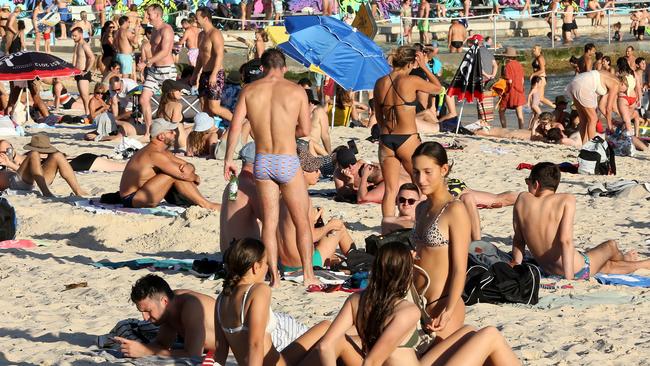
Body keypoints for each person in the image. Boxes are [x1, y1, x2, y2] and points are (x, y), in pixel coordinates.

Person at [316, 242, 521, 365]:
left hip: (418, 361)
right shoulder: (405, 310)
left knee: (469, 330)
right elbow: (372, 362)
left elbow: (325, 346)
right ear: (407, 272)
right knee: (490, 334)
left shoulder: (356, 300)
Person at [223, 49, 318, 288]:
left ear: (263, 68)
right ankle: (308, 274)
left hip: (263, 161)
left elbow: (235, 128)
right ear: (284, 68)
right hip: (286, 159)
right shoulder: (296, 91)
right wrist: (287, 132)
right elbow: (305, 130)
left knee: (270, 223)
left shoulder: (249, 90)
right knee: (301, 222)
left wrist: (228, 160)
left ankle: (273, 276)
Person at [214, 238, 358, 366]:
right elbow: (255, 343)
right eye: (265, 263)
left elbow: (220, 350)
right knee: (338, 341)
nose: (267, 268)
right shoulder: (258, 290)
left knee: (327, 326)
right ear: (255, 267)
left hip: (279, 359)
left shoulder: (222, 299)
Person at [512, 163, 650, 280]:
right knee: (611, 245)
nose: (527, 186)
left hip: (549, 268)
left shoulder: (522, 200)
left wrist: (516, 266)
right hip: (575, 269)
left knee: (606, 266)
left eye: (527, 182)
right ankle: (625, 259)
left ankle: (643, 264)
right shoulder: (566, 199)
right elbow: (565, 241)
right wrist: (569, 278)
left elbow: (518, 240)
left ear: (536, 184)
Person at [411, 142, 470, 339]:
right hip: (415, 303)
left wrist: (449, 310)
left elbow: (460, 268)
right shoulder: (420, 209)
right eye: (416, 172)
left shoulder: (455, 210)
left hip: (442, 303)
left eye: (428, 172)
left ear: (444, 169)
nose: (421, 179)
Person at [374, 46, 441, 217]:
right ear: (411, 63)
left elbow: (379, 116)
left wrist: (385, 131)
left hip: (386, 139)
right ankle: (422, 222)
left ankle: (387, 227)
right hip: (407, 138)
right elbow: (437, 88)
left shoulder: (380, 82)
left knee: (390, 190)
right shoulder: (410, 80)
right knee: (421, 185)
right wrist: (425, 66)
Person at [278, 148, 354, 273]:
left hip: (283, 264)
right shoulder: (302, 198)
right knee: (339, 227)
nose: (319, 172)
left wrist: (312, 219)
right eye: (314, 169)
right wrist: (330, 226)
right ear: (302, 172)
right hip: (304, 264)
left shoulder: (280, 195)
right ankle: (357, 258)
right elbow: (310, 237)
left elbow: (290, 229)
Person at [119, 118, 220, 210]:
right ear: (161, 136)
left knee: (176, 172)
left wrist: (189, 167)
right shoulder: (154, 154)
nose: (175, 134)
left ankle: (199, 202)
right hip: (133, 198)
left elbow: (187, 164)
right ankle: (205, 204)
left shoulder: (163, 152)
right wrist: (195, 177)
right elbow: (182, 174)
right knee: (173, 174)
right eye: (171, 132)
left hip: (143, 192)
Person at [114, 274, 217, 358]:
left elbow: (193, 354)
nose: (145, 318)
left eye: (148, 311)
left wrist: (146, 351)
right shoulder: (170, 306)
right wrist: (135, 348)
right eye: (142, 312)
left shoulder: (192, 307)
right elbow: (162, 344)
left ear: (164, 301)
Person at [0, 135, 87, 197]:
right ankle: (46, 192)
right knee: (34, 154)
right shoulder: (29, 156)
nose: (5, 153)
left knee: (58, 155)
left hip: (38, 181)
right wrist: (8, 164)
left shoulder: (25, 157)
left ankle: (78, 190)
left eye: (8, 149)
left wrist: (9, 163)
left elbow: (28, 171)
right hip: (20, 183)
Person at [138, 4, 177, 139]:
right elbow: (154, 50)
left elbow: (165, 51)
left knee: (170, 102)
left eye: (149, 14)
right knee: (143, 99)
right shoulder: (154, 30)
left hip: (167, 70)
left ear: (158, 15)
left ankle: (172, 131)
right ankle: (148, 131)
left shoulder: (167, 30)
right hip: (155, 70)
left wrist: (147, 62)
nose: (147, 16)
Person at [191, 8, 232, 122]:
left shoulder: (215, 33)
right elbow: (200, 56)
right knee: (204, 106)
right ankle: (211, 132)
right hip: (204, 73)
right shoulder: (201, 35)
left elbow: (219, 55)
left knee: (214, 107)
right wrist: (195, 74)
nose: (195, 20)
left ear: (205, 18)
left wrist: (214, 74)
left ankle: (239, 123)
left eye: (197, 18)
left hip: (216, 73)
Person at [219, 143, 260, 252]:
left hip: (226, 251)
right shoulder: (250, 188)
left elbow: (235, 203)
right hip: (241, 255)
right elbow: (269, 219)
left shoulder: (234, 182)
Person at [565, 70, 620, 143]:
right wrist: (610, 125)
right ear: (623, 84)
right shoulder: (616, 84)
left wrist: (612, 120)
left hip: (575, 82)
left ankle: (585, 145)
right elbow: (609, 108)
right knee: (593, 119)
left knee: (583, 119)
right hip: (584, 85)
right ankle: (592, 145)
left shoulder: (609, 78)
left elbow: (601, 106)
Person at [156, 79, 189, 151]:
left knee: (191, 127)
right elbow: (174, 125)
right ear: (171, 92)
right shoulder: (177, 105)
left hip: (164, 139)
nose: (181, 92)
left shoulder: (162, 106)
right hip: (179, 143)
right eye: (179, 90)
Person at [499, 47, 525, 129]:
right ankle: (521, 129)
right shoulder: (519, 64)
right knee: (519, 114)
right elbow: (522, 80)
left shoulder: (508, 65)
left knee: (501, 110)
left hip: (510, 91)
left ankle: (504, 128)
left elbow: (509, 80)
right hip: (519, 90)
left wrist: (503, 91)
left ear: (506, 56)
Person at [71, 27, 95, 118]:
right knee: (82, 95)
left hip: (83, 73)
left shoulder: (84, 45)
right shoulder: (77, 45)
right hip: (77, 73)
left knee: (85, 95)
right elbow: (76, 58)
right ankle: (86, 112)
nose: (73, 37)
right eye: (72, 36)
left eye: (75, 36)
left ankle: (89, 113)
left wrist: (86, 70)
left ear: (81, 35)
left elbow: (92, 57)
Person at [115, 16, 137, 80]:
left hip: (118, 55)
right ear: (125, 22)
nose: (129, 24)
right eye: (128, 22)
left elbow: (114, 44)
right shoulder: (126, 31)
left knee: (119, 75)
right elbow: (135, 42)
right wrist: (137, 32)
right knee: (125, 77)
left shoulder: (116, 32)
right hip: (126, 56)